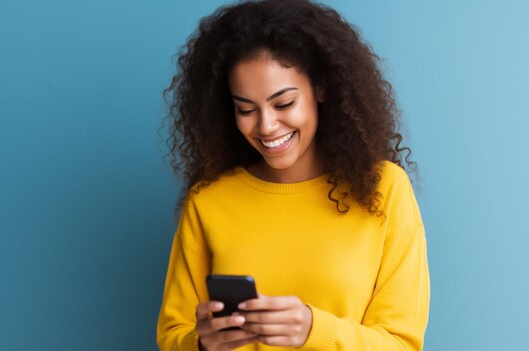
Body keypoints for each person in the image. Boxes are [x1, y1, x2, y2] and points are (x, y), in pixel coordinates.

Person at [156, 0, 430, 350]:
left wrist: (313, 330)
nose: (266, 126)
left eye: (283, 103)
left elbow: (402, 344)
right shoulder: (208, 202)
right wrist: (202, 343)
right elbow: (171, 336)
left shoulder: (384, 190)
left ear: (321, 88)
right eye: (246, 109)